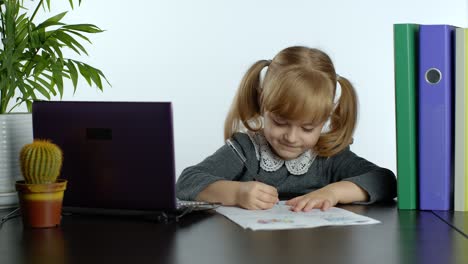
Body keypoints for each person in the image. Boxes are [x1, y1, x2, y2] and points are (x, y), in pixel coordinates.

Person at [176, 46, 396, 212]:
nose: (291, 137)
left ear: (325, 118)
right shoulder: (245, 150)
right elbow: (187, 182)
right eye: (280, 122)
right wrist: (236, 192)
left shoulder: (329, 157)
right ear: (263, 104)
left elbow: (385, 181)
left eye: (307, 128)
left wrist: (333, 192)